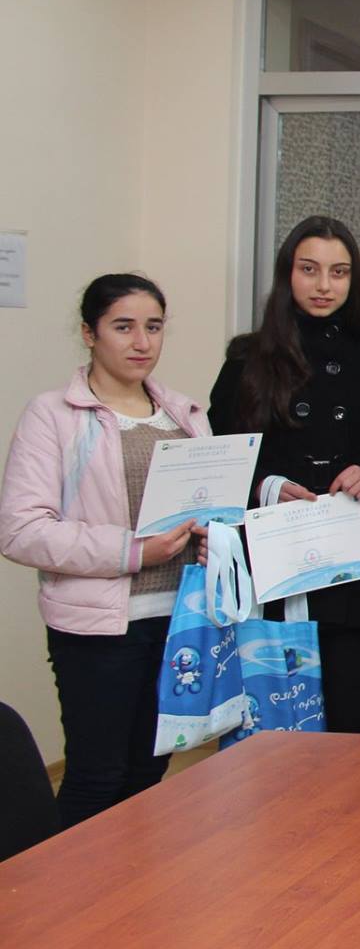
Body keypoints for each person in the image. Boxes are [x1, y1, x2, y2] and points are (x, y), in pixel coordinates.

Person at [0, 275, 210, 826]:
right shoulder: (53, 415)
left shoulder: (184, 414)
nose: (141, 342)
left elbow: (203, 508)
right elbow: (20, 529)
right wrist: (133, 552)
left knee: (147, 775)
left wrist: (212, 539)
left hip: (178, 622)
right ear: (89, 334)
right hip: (97, 628)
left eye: (153, 327)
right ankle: (62, 885)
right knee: (96, 778)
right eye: (123, 327)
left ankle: (132, 884)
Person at [206, 216, 360, 734]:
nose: (324, 285)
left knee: (350, 722)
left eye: (339, 272)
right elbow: (220, 456)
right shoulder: (247, 358)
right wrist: (265, 485)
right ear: (286, 274)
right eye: (309, 269)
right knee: (271, 725)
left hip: (351, 563)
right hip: (271, 559)